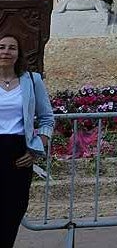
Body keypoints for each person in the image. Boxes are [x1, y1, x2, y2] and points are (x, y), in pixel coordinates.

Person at [0, 34, 53, 248]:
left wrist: (37, 147)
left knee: (13, 211)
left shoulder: (32, 80)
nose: (6, 52)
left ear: (19, 53)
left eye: (12, 48)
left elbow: (47, 118)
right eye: (1, 47)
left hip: (19, 154)